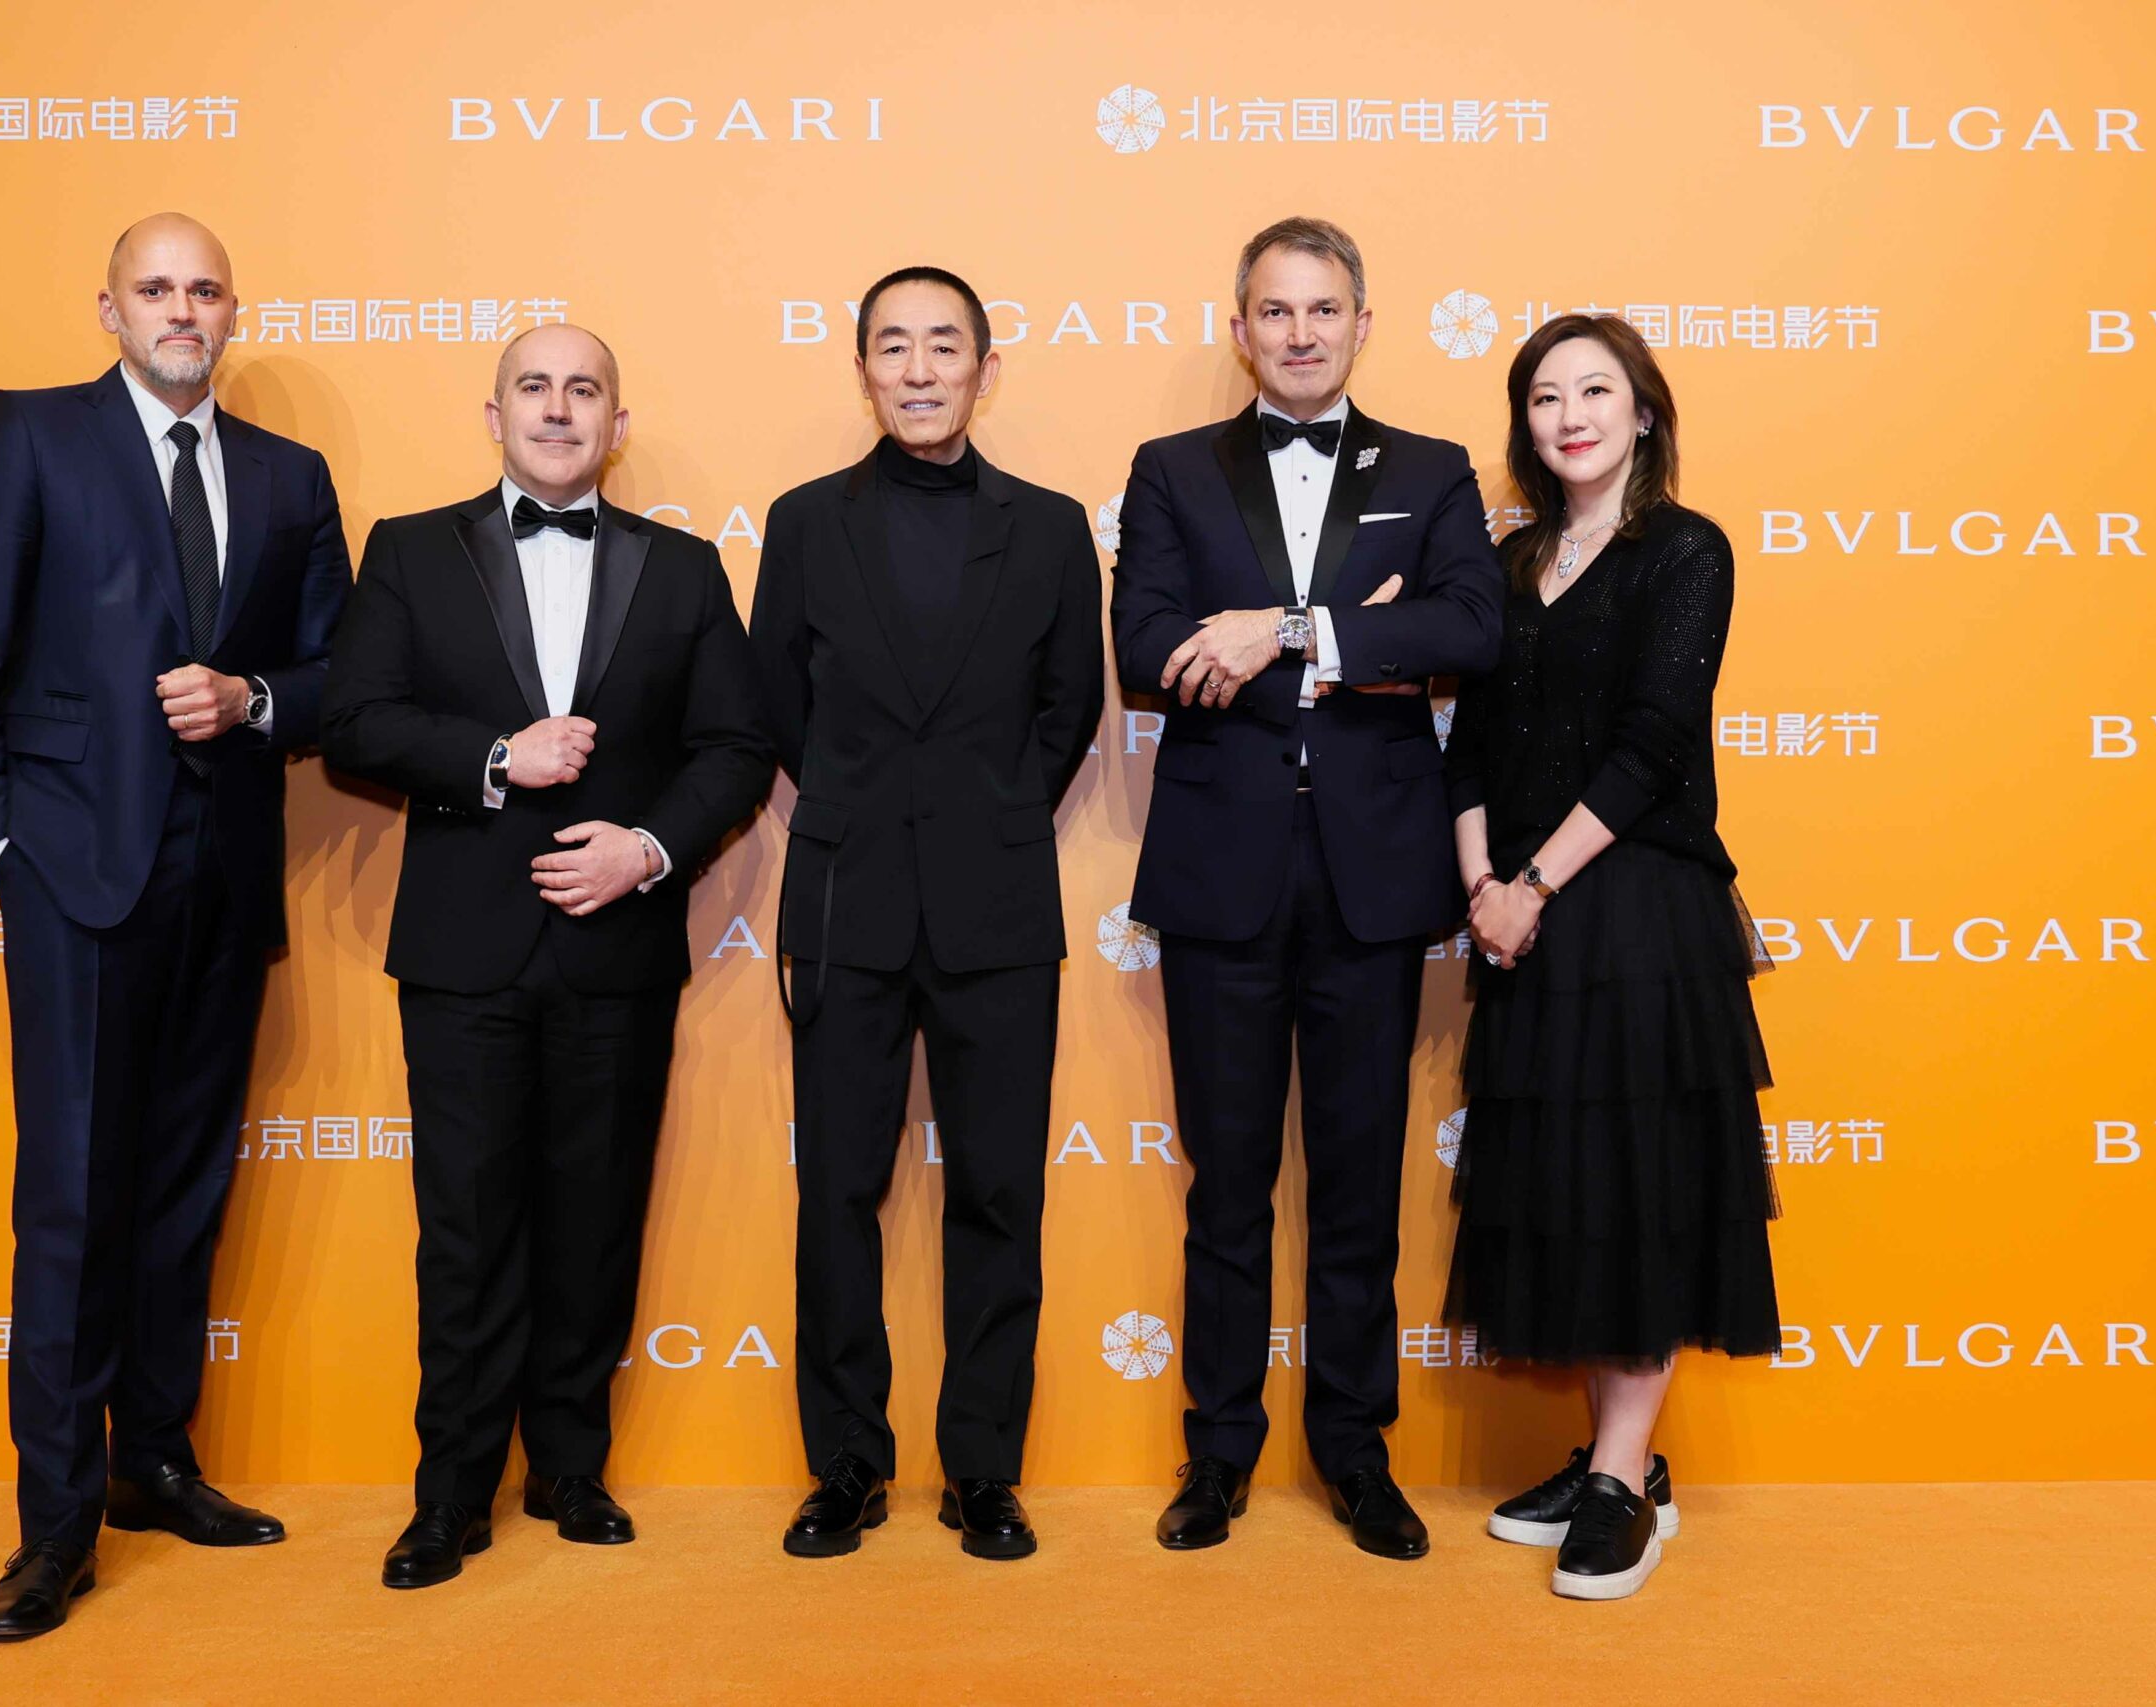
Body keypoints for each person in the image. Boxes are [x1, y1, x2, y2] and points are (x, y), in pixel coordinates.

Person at [0, 213, 353, 1641]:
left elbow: (337, 675)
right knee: (75, 1200)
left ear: (234, 312)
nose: (181, 310)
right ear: (108, 309)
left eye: (204, 289)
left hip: (223, 879)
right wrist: (2, 842)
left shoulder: (289, 476)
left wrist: (253, 700)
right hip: (74, 876)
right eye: (155, 288)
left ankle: (154, 1462)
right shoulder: (31, 434)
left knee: (179, 1189)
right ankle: (55, 1523)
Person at [321, 326, 770, 1589]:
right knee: (464, 1231)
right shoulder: (409, 550)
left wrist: (649, 848)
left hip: (617, 946)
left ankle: (572, 1467)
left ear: (617, 423)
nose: (559, 409)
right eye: (536, 387)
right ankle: (451, 1493)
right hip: (463, 950)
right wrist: (491, 759)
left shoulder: (684, 568)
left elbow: (735, 746)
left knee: (595, 1218)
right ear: (495, 414)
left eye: (585, 390)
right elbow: (354, 722)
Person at [1112, 216, 1503, 1557]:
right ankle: (1216, 1451)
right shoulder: (1171, 469)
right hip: (1219, 871)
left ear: (1361, 324)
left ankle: (1354, 1448)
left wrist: (1282, 628)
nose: (1299, 333)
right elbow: (1145, 646)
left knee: (1358, 1184)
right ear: (1239, 330)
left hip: (1371, 877)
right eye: (1274, 311)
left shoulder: (1433, 470)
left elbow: (1471, 627)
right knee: (1224, 1186)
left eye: (1323, 309)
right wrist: (1363, 637)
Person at [748, 266, 1103, 1561]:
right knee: (836, 1194)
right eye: (892, 346)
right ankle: (846, 1463)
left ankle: (983, 1471)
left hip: (996, 903)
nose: (917, 368)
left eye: (942, 345)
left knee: (999, 1194)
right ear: (862, 370)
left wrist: (987, 816)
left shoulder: (1051, 528)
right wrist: (865, 809)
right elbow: (777, 702)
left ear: (983, 370)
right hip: (846, 899)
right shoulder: (804, 521)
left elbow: (1069, 708)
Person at [1441, 311, 1781, 1601]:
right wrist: (1483, 886)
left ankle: (1620, 1484)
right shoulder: (1512, 561)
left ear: (1642, 411)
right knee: (1574, 1192)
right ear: (1523, 423)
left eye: (1595, 391)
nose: (1569, 415)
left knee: (1642, 1191)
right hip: (1525, 917)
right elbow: (1469, 749)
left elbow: (1650, 747)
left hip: (1635, 909)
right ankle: (1617, 1461)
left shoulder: (1685, 551)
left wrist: (1530, 881)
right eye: (1544, 396)